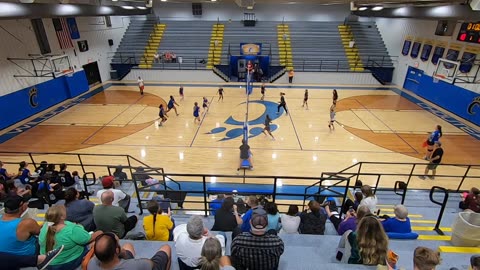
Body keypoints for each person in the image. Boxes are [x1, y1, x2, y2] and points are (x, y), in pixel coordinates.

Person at [39, 205, 103, 270]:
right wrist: (99, 232)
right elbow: (87, 239)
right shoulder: (72, 230)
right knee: (99, 237)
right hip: (64, 264)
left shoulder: (46, 225)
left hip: (46, 261)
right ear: (62, 217)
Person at [88, 232, 172, 270]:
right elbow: (151, 264)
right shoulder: (137, 265)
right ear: (117, 251)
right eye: (118, 243)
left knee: (128, 245)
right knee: (166, 247)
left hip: (118, 259)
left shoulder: (91, 263)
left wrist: (122, 253)